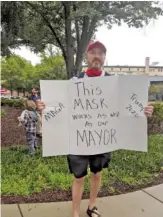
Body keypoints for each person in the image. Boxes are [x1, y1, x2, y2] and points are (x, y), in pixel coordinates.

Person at [37, 41, 154, 217]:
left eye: (101, 53)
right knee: (78, 177)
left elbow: (126, 107)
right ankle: (75, 212)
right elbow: (60, 106)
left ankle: (92, 206)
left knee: (97, 174)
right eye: (93, 52)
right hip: (79, 139)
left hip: (102, 137)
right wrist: (44, 106)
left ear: (105, 58)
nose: (97, 56)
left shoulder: (114, 82)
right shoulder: (74, 82)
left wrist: (144, 111)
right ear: (87, 56)